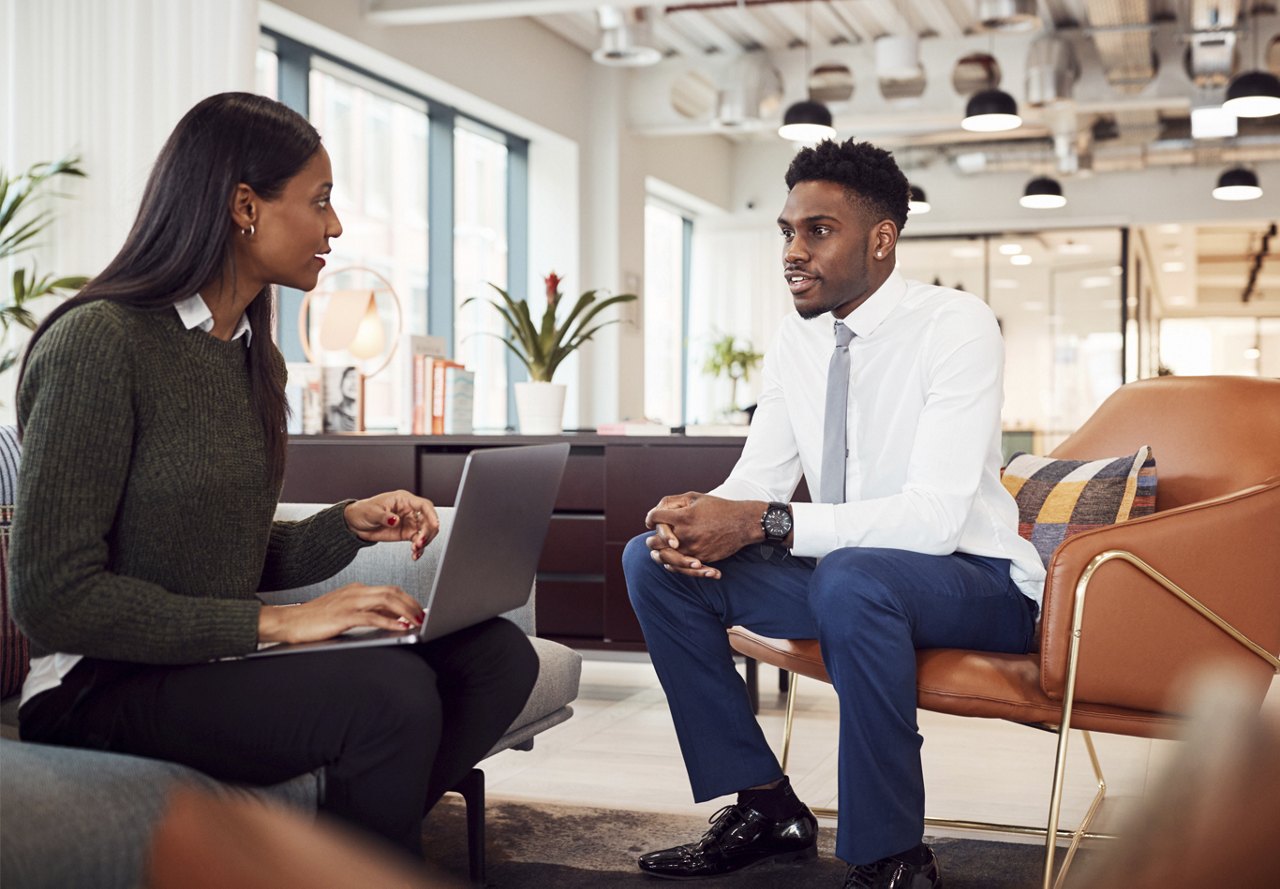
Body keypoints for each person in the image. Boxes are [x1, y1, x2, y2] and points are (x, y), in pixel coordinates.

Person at [9, 92, 538, 862]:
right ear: (244, 205)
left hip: (209, 660)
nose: (336, 227)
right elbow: (51, 598)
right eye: (320, 201)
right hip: (100, 683)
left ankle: (331, 856)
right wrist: (278, 623)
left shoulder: (252, 355)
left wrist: (347, 523)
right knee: (389, 698)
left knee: (497, 658)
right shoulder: (100, 342)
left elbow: (219, 551)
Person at [622, 139, 1045, 889]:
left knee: (852, 578)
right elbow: (760, 474)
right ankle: (766, 805)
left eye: (817, 230)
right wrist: (700, 516)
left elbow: (935, 519)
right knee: (650, 562)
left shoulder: (957, 325)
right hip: (848, 578)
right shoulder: (799, 336)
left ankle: (892, 854)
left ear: (881, 239)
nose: (793, 249)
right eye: (787, 231)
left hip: (975, 582)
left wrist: (764, 523)